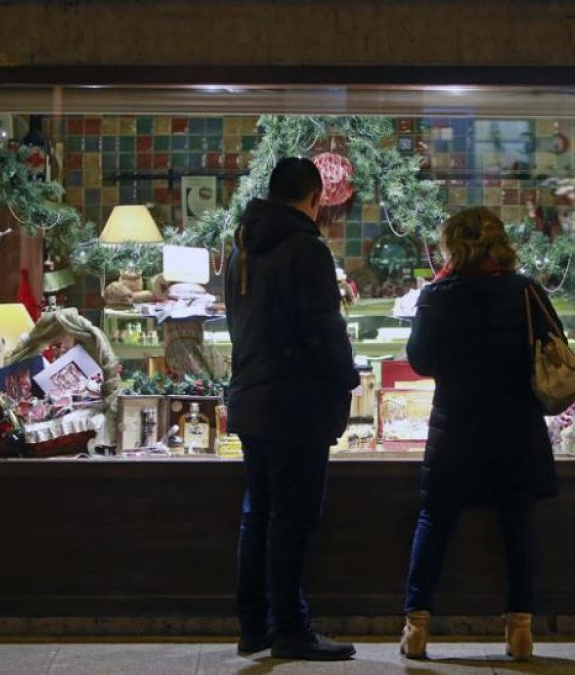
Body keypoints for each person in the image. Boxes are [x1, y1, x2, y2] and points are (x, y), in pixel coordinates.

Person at [398, 206, 560, 661]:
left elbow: (421, 362)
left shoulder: (437, 295)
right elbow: (555, 345)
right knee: (517, 523)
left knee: (435, 521)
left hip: (456, 430)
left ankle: (417, 628)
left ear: (453, 245)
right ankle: (521, 632)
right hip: (515, 429)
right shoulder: (525, 291)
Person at [225, 157, 360, 661]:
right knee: (292, 519)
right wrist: (348, 377)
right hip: (296, 403)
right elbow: (323, 327)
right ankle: (290, 628)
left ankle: (253, 625)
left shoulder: (242, 248)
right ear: (316, 197)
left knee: (258, 513)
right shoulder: (306, 250)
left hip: (252, 397)